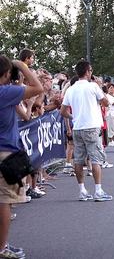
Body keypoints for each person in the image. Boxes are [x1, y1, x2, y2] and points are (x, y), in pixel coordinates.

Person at [0, 55, 44, 258]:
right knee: (4, 202)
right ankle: (1, 249)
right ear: (7, 73)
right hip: (5, 153)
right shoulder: (5, 92)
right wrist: (22, 67)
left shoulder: (8, 93)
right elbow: (37, 88)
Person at [60, 60, 113, 202]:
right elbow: (106, 102)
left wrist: (74, 117)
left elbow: (63, 111)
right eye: (91, 71)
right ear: (87, 72)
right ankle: (98, 190)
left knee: (78, 159)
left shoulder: (70, 89)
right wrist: (100, 87)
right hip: (91, 125)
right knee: (95, 158)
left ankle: (82, 190)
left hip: (78, 127)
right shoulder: (93, 87)